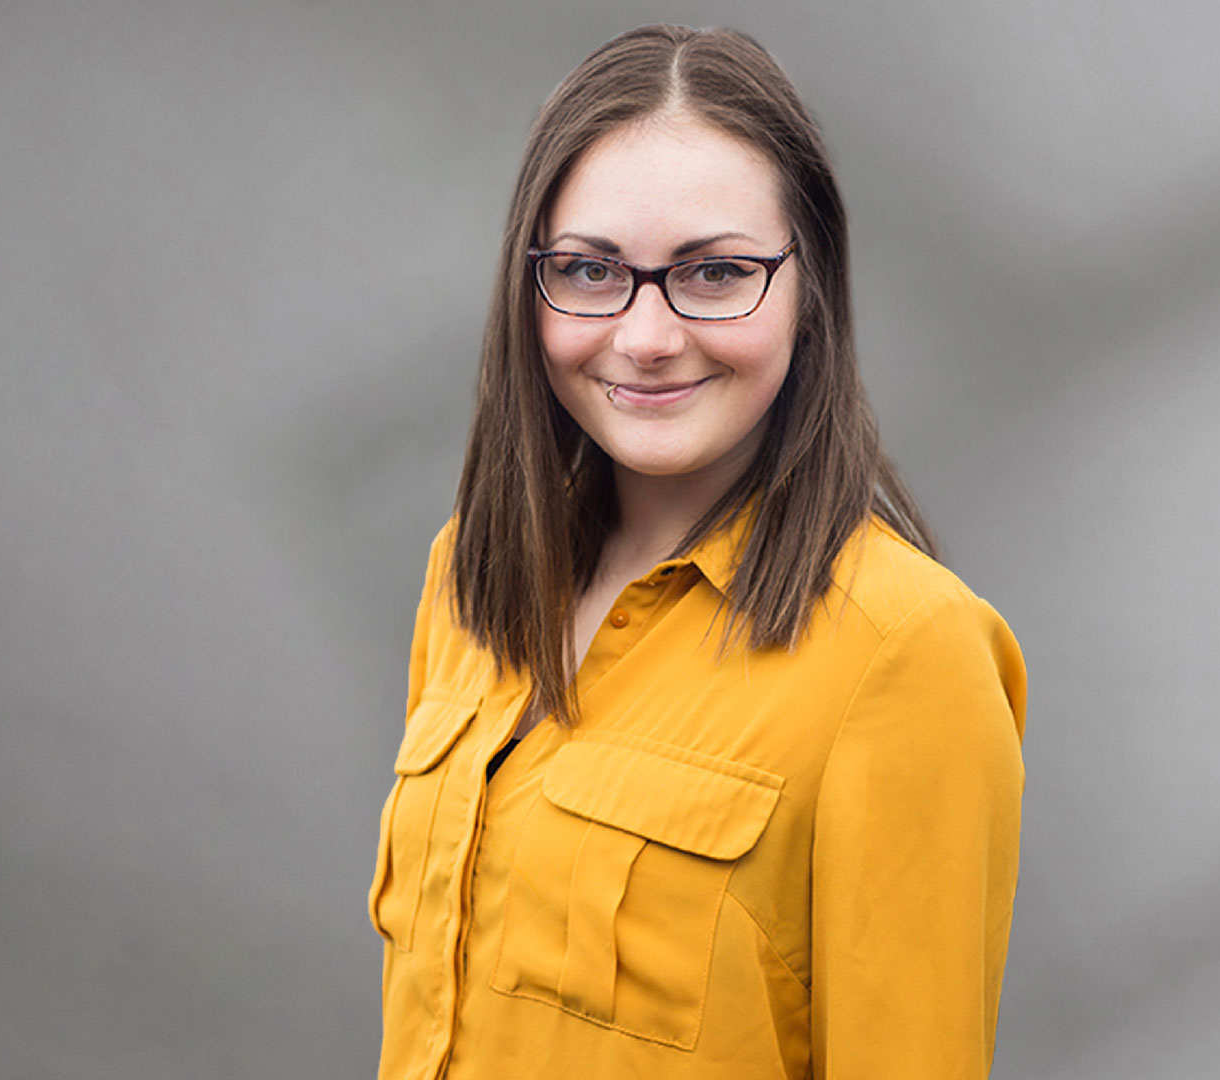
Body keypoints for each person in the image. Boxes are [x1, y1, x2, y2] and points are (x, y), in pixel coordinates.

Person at [369, 24, 1028, 1079]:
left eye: (715, 272)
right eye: (590, 270)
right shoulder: (469, 576)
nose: (645, 338)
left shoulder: (909, 656)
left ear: (810, 292)